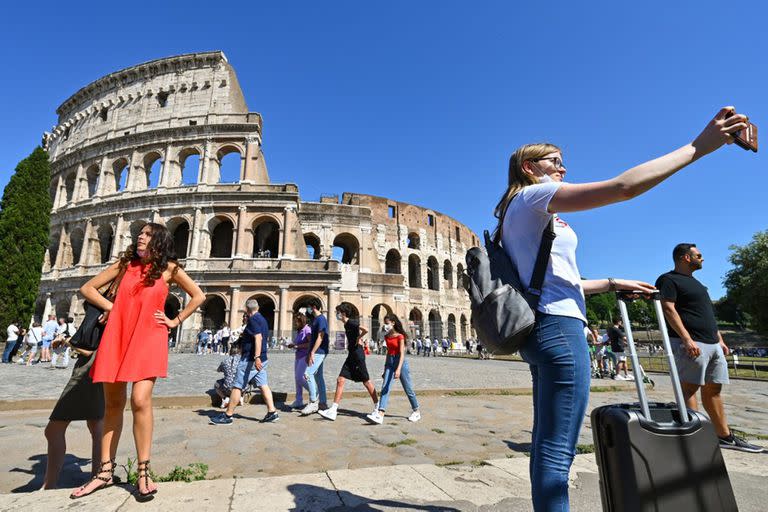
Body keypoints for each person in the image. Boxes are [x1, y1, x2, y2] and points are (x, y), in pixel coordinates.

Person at [496, 109, 750, 510]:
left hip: (542, 326)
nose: (564, 168)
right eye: (555, 162)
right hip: (559, 329)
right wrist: (697, 148)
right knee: (558, 448)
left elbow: (554, 282)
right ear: (530, 168)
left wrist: (612, 283)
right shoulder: (534, 196)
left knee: (548, 440)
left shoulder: (517, 212)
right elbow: (624, 187)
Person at [70, 222, 205, 500]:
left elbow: (198, 295)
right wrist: (114, 307)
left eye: (147, 234)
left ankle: (143, 471)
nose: (140, 237)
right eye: (140, 234)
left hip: (149, 336)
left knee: (140, 399)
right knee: (114, 404)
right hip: (118, 335)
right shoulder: (124, 264)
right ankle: (104, 472)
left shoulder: (170, 269)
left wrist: (174, 321)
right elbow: (89, 288)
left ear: (160, 241)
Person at [656, 243, 763, 453]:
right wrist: (686, 339)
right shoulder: (668, 280)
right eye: (698, 255)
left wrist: (720, 339)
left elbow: (707, 316)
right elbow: (668, 309)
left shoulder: (697, 285)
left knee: (714, 389)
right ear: (686, 257)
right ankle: (693, 435)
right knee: (689, 388)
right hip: (692, 343)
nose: (702, 258)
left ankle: (724, 436)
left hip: (712, 343)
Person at [42, 348, 104, 489]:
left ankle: (49, 485)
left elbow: (87, 347)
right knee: (96, 424)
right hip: (95, 364)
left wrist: (66, 341)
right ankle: (98, 477)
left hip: (88, 367)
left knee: (53, 430)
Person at [210, 299, 279, 425]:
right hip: (262, 359)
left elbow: (258, 337)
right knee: (263, 385)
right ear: (257, 308)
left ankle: (228, 415)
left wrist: (256, 357)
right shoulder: (262, 319)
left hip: (251, 359)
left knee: (237, 386)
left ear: (247, 310)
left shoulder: (252, 320)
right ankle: (272, 412)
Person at [319, 303, 379, 421]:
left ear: (343, 313)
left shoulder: (351, 322)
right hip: (351, 354)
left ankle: (378, 407)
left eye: (338, 312)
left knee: (366, 381)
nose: (337, 314)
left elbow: (365, 329)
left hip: (357, 355)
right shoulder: (346, 324)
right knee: (340, 379)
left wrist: (358, 337)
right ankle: (333, 410)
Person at [366, 314, 420, 425]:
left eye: (387, 323)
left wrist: (399, 369)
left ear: (393, 323)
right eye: (385, 323)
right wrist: (385, 368)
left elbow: (402, 354)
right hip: (390, 362)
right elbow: (388, 353)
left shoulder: (400, 336)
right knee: (385, 387)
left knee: (408, 388)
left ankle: (416, 411)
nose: (385, 325)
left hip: (400, 362)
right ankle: (380, 414)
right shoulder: (386, 336)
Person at [300, 301, 329, 415]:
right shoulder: (315, 320)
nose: (308, 310)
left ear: (314, 307)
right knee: (318, 377)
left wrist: (312, 352)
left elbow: (320, 337)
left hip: (319, 351)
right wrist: (310, 351)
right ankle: (323, 402)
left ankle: (313, 401)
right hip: (316, 351)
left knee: (308, 374)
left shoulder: (321, 319)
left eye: (308, 307)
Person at [286, 312, 312, 409]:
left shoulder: (307, 329)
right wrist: (292, 344)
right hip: (298, 355)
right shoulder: (299, 330)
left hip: (304, 356)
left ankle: (313, 392)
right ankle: (298, 400)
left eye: (296, 322)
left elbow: (310, 344)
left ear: (301, 321)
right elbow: (298, 343)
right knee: (297, 379)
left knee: (300, 377)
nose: (294, 323)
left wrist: (297, 346)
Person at [214, 343, 242, 409]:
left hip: (228, 388)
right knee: (247, 380)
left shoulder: (225, 361)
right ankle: (240, 397)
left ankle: (225, 398)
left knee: (216, 384)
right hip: (240, 387)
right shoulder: (242, 361)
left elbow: (219, 370)